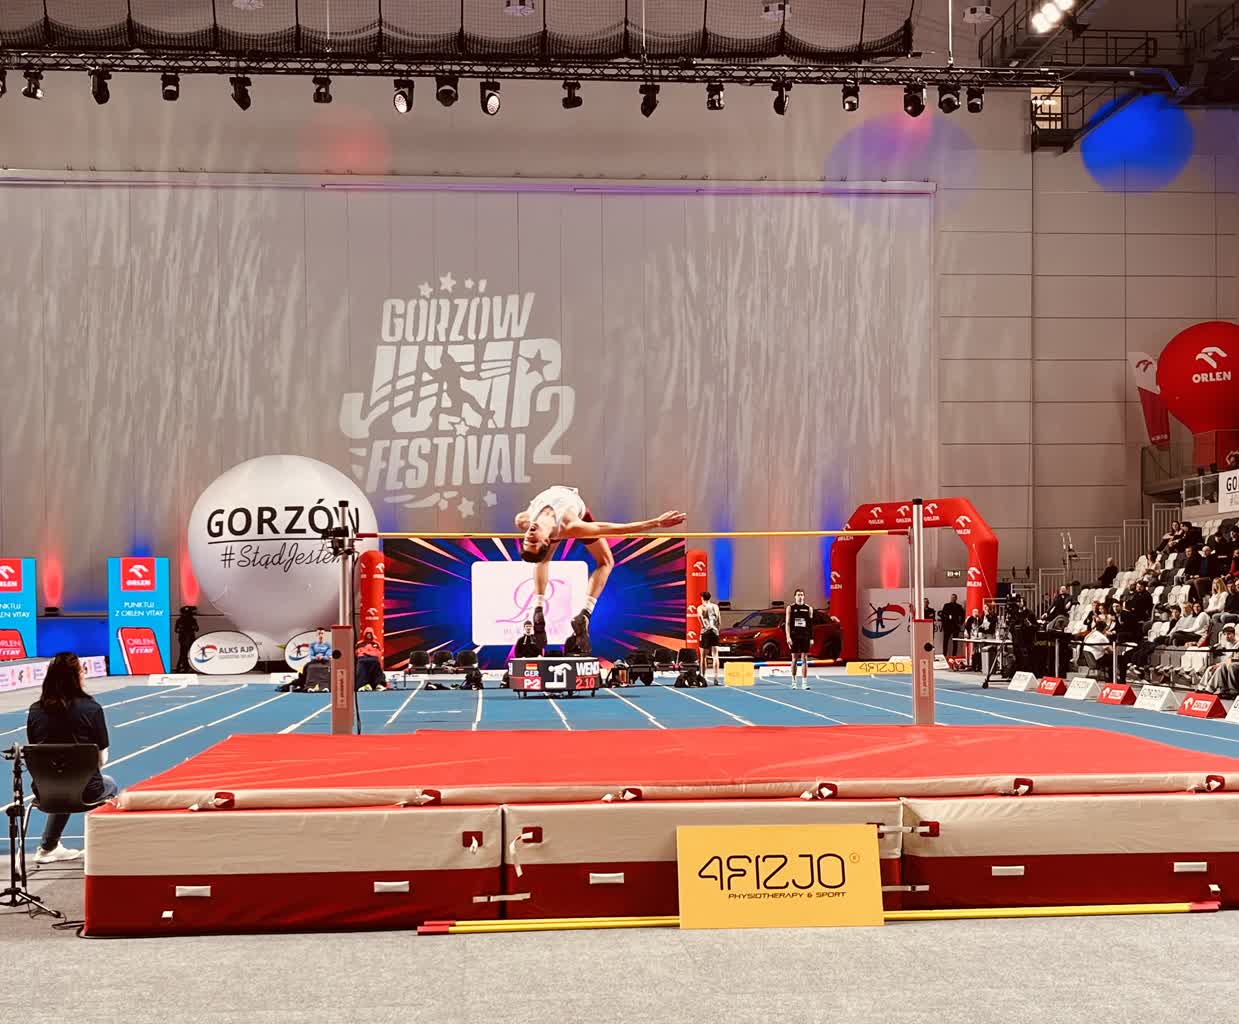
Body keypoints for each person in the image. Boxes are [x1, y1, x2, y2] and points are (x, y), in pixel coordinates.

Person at [516, 484, 685, 655]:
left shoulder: (523, 520)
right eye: (534, 541)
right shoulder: (572, 526)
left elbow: (536, 539)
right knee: (606, 562)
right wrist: (656, 522)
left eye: (527, 541)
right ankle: (586, 613)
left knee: (543, 560)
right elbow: (619, 529)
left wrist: (539, 538)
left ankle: (538, 608)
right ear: (547, 541)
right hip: (574, 517)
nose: (529, 536)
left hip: (556, 525)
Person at [25, 652, 119, 864]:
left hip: (45, 790)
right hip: (86, 790)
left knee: (63, 781)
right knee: (108, 783)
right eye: (82, 671)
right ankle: (101, 847)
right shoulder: (92, 709)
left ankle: (48, 847)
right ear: (75, 677)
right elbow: (102, 758)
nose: (84, 674)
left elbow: (35, 752)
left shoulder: (35, 710)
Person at [785, 588, 813, 690]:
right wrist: (788, 637)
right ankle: (794, 682)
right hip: (794, 636)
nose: (800, 596)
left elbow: (810, 625)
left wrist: (811, 638)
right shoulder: (790, 608)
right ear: (795, 596)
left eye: (801, 595)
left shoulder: (808, 608)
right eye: (798, 595)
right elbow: (787, 623)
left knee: (804, 658)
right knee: (794, 659)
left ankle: (804, 683)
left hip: (805, 636)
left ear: (804, 596)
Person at [697, 590, 722, 684]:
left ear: (702, 598)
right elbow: (719, 620)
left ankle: (703, 677)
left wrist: (703, 626)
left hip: (706, 632)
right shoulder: (715, 607)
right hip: (714, 632)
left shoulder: (701, 607)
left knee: (703, 656)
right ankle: (716, 678)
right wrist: (717, 630)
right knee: (715, 656)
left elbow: (700, 616)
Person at [173, 605, 199, 674]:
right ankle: (182, 667)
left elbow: (196, 629)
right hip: (184, 638)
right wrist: (181, 629)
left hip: (189, 637)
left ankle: (187, 667)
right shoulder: (180, 620)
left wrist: (193, 627)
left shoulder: (192, 620)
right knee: (184, 653)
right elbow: (176, 630)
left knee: (187, 653)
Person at [939, 593, 965, 659]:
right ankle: (944, 655)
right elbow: (942, 615)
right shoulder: (946, 605)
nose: (953, 599)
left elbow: (963, 616)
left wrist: (960, 623)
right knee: (945, 641)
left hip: (956, 626)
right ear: (950, 598)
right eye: (952, 597)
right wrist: (944, 623)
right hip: (947, 626)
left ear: (956, 598)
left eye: (954, 597)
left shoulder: (959, 606)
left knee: (955, 641)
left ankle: (954, 656)